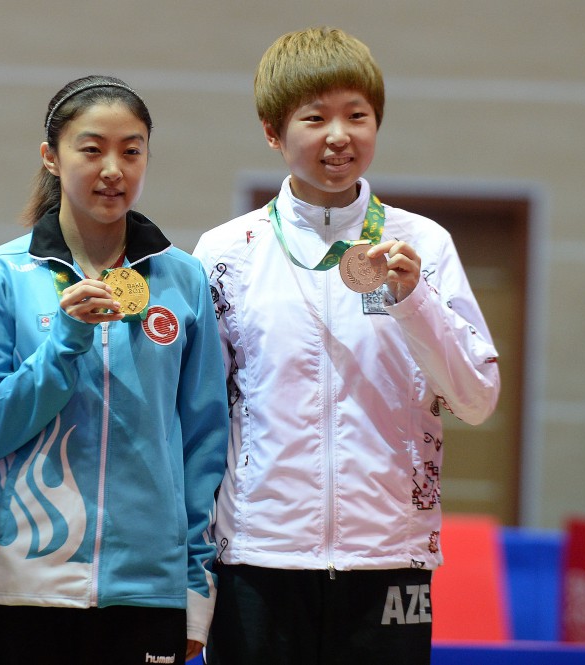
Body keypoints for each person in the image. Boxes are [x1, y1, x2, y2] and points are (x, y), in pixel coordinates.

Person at [192, 27, 501, 665]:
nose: (340, 135)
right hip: (259, 556)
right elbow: (198, 420)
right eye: (315, 117)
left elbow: (476, 399)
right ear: (273, 132)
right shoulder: (226, 253)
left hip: (390, 557)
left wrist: (414, 299)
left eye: (357, 115)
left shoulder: (425, 245)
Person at [0, 74, 229, 665]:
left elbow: (204, 442)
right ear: (51, 158)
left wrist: (195, 587)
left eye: (131, 151)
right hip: (20, 588)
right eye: (92, 149)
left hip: (148, 592)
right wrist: (64, 343)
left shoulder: (183, 280)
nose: (113, 168)